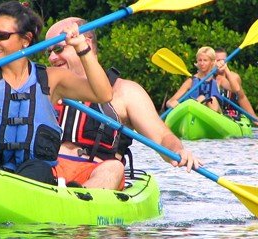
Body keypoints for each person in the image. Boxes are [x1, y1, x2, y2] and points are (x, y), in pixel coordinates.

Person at [0, 1, 112, 185]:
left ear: (25, 39)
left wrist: (82, 48)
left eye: (1, 36)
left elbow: (103, 94)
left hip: (33, 175)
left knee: (38, 170)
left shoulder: (52, 78)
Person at [46, 17, 203, 190]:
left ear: (86, 43)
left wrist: (178, 151)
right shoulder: (46, 88)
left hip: (97, 174)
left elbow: (161, 136)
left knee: (114, 168)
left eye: (59, 48)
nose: (52, 57)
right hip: (49, 170)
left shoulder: (125, 91)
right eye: (48, 52)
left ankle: (77, 203)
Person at [166, 46, 239, 113]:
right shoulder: (191, 81)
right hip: (194, 113)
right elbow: (170, 101)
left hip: (215, 113)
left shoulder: (218, 79)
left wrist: (226, 69)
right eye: (200, 60)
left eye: (205, 60)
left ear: (212, 62)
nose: (202, 63)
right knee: (201, 98)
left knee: (210, 99)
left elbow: (236, 89)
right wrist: (172, 104)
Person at [215, 47, 258, 125]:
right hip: (214, 113)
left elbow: (241, 98)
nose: (221, 63)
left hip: (232, 115)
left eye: (223, 60)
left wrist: (254, 119)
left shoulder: (234, 77)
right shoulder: (207, 78)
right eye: (217, 60)